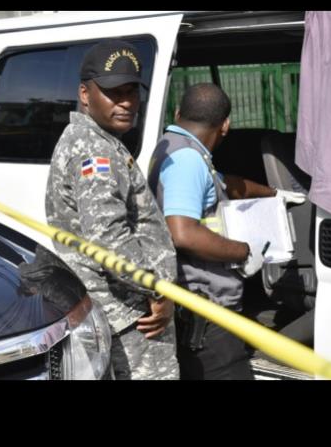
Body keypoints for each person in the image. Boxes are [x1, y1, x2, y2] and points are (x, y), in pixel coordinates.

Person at [147, 82, 306, 379]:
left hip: (202, 307)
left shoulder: (179, 148)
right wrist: (243, 252)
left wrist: (275, 194)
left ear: (179, 112)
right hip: (207, 312)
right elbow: (182, 232)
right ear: (226, 126)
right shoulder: (187, 161)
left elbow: (226, 184)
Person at [44, 39, 179, 380]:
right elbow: (109, 238)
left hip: (122, 308)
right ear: (85, 94)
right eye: (113, 92)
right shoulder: (95, 152)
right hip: (132, 312)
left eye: (132, 91)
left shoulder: (94, 140)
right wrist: (156, 290)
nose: (126, 102)